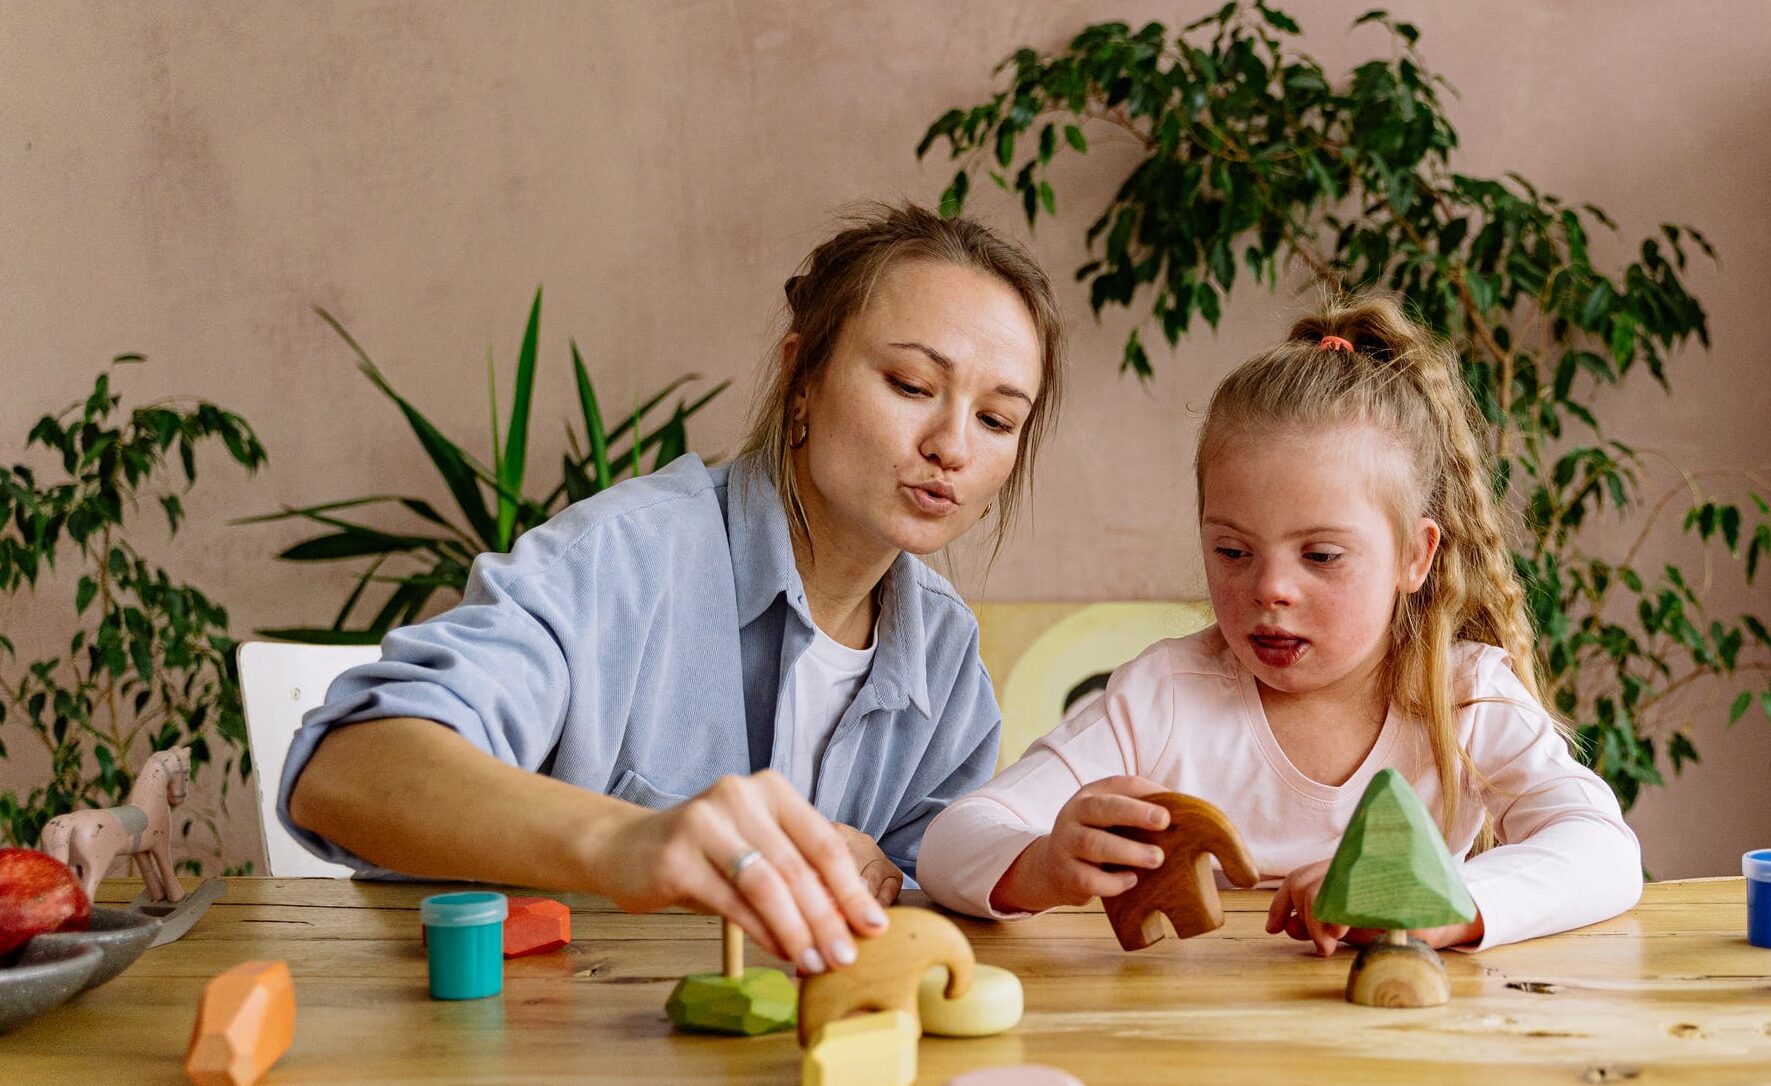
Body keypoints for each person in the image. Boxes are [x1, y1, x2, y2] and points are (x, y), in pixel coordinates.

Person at [284, 203, 1062, 975]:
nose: (952, 446)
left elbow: (920, 931)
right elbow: (344, 771)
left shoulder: (947, 660)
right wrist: (631, 842)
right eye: (910, 383)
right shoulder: (622, 559)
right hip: (521, 1061)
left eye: (997, 420)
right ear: (802, 378)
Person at [916, 295, 1641, 951]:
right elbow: (950, 840)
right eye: (1231, 550)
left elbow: (1602, 848)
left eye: (1321, 555)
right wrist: (1041, 864)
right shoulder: (1163, 697)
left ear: (1414, 556)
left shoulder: (1465, 696)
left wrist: (1447, 901)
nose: (1268, 589)